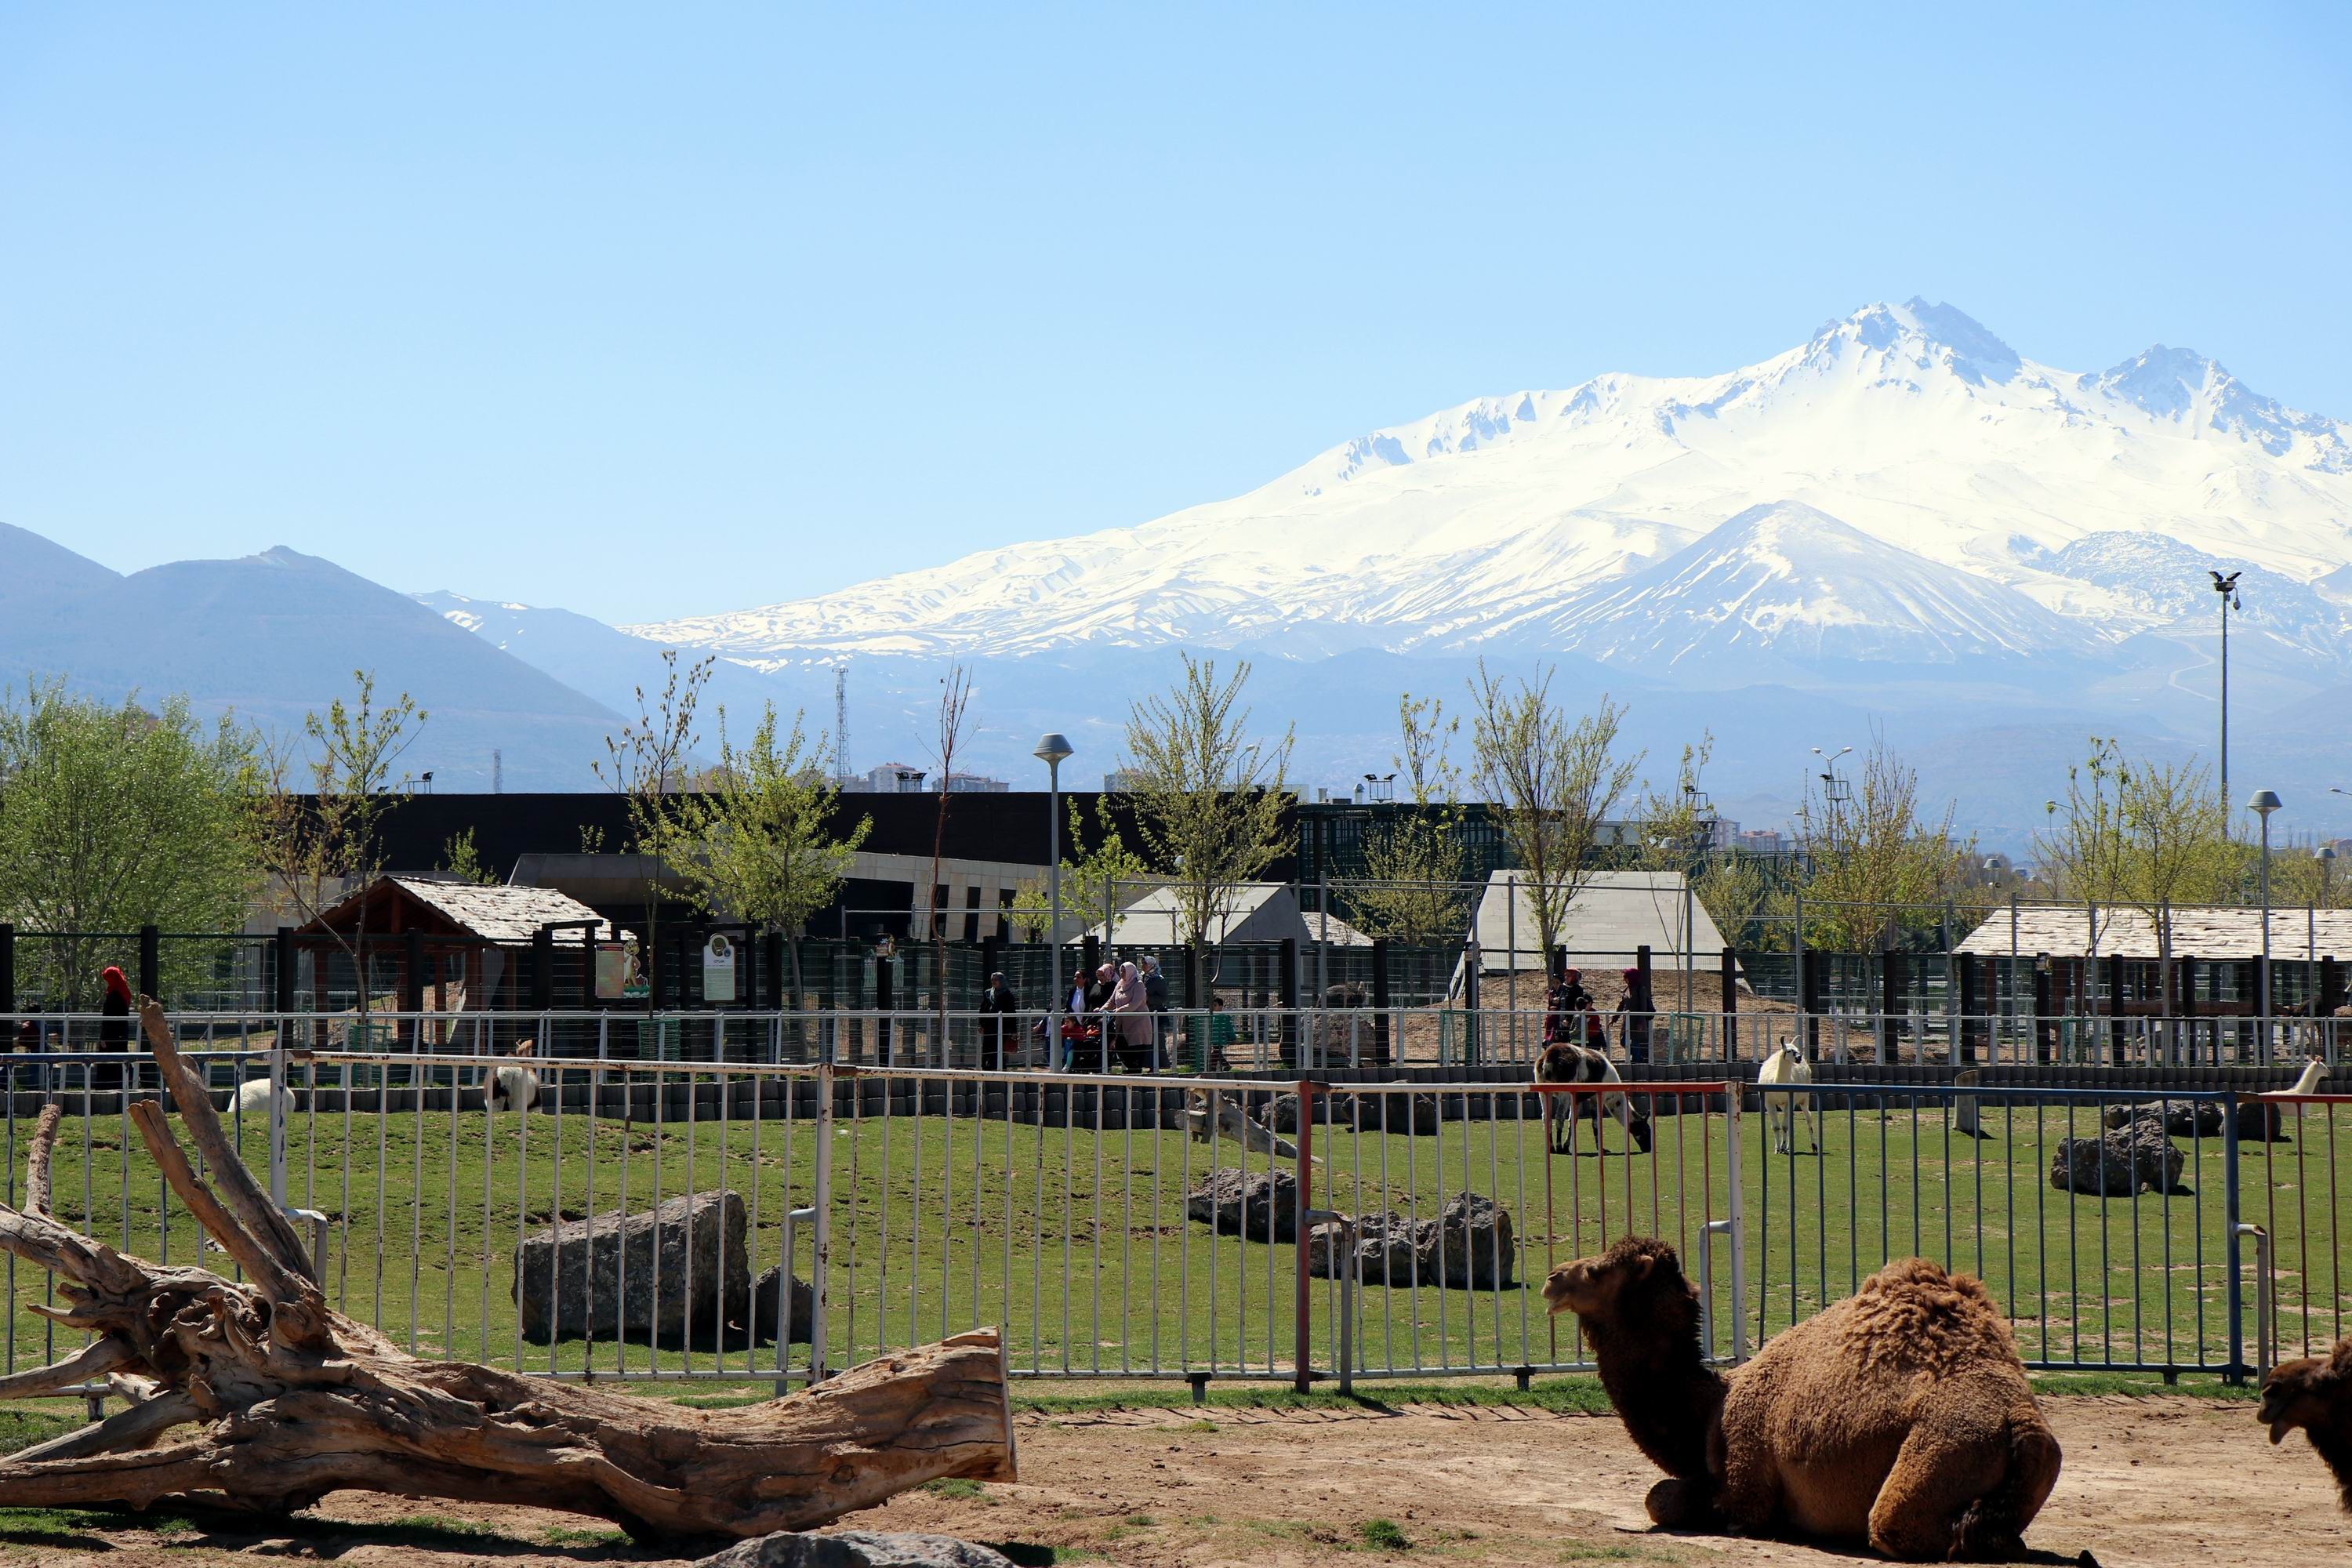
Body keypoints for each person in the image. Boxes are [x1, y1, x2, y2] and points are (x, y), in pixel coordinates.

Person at [1110, 960, 1156, 1073]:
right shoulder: (1119, 984)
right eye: (1121, 971)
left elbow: (1135, 1003)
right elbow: (1111, 1001)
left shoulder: (1138, 984)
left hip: (1138, 1024)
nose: (1122, 973)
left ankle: (1135, 1071)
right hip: (1123, 1023)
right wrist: (1101, 1010)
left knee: (1136, 1048)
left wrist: (1119, 1010)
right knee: (1120, 1046)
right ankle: (1131, 1069)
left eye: (1124, 971)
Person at [96, 964, 132, 1092]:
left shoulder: (114, 995)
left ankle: (107, 1087)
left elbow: (109, 1018)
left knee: (108, 1060)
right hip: (121, 1033)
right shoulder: (123, 993)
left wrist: (104, 1037)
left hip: (111, 1035)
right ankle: (122, 1083)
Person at [1616, 967, 1654, 1065]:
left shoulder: (1640, 989)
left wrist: (1641, 1022)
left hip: (1637, 1022)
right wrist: (1614, 1018)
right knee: (1623, 1041)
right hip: (1627, 1022)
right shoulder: (1627, 989)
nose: (1624, 979)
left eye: (1626, 977)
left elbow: (1643, 1007)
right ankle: (1638, 1058)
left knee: (1635, 1042)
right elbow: (1622, 1005)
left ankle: (1637, 1062)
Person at [982, 971, 1019, 1068]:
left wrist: (1014, 1030)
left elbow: (1012, 1013)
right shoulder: (988, 993)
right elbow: (983, 1009)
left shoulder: (1008, 995)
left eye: (996, 980)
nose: (994, 982)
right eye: (992, 980)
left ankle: (999, 1068)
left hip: (1003, 1026)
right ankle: (986, 1068)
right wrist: (981, 1024)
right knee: (987, 1047)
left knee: (998, 1048)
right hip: (989, 1026)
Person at [1141, 956, 1171, 1069]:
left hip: (1155, 1013)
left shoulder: (1159, 979)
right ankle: (1147, 1064)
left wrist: (1149, 998)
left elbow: (1163, 998)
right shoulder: (1142, 977)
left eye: (1145, 964)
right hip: (1144, 1012)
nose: (1143, 966)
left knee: (1156, 1040)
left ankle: (1159, 1065)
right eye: (1142, 963)